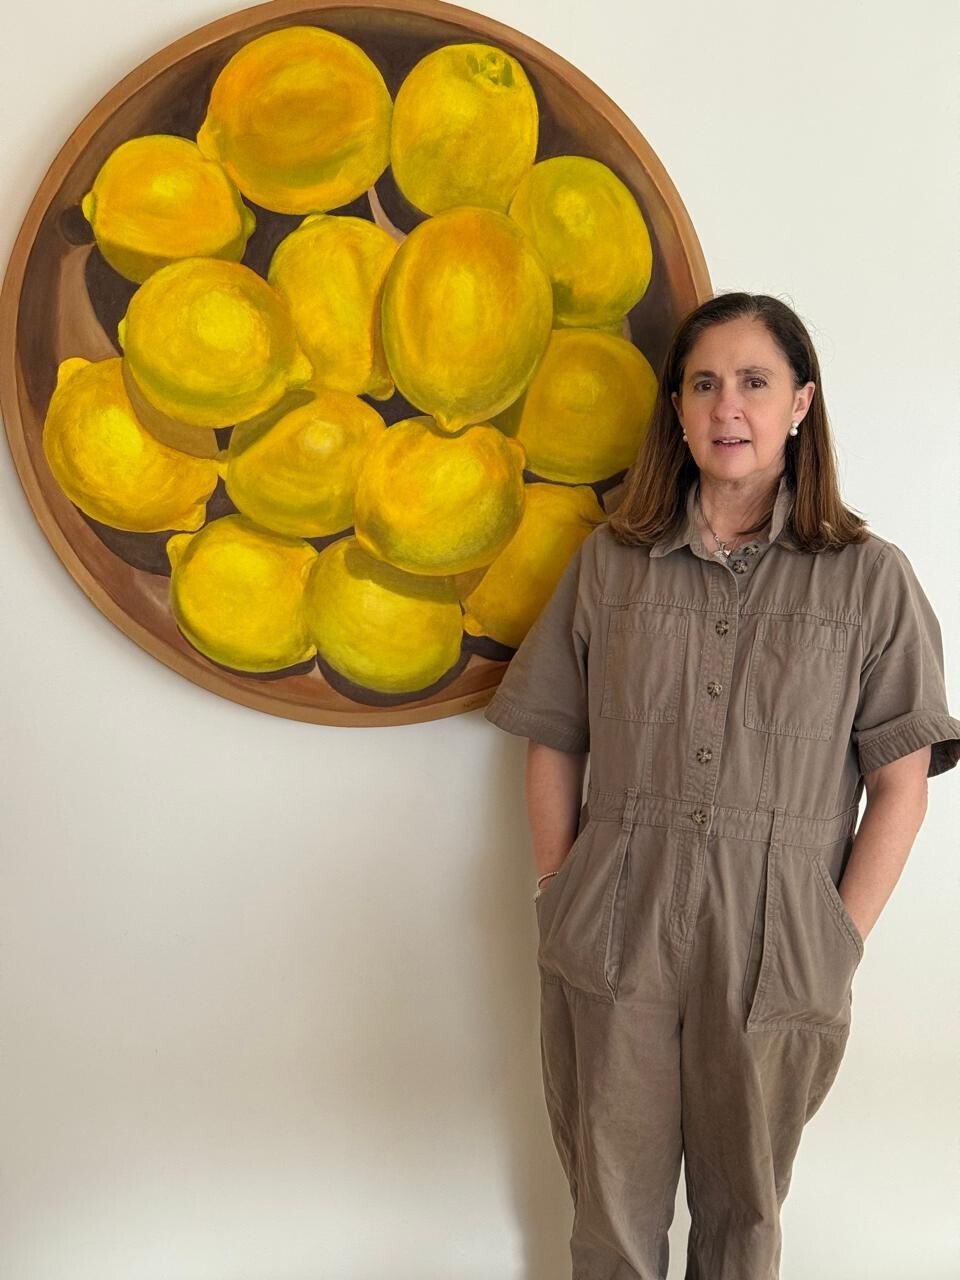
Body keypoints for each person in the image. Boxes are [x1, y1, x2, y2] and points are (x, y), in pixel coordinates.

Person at [483, 292, 960, 1279]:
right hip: (616, 911)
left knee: (745, 1212)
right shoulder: (611, 564)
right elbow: (553, 736)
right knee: (611, 1206)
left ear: (800, 404)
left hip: (778, 932)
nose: (726, 406)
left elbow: (901, 784)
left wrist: (835, 938)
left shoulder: (871, 579)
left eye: (753, 382)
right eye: (703, 384)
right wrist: (558, 887)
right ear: (678, 408)